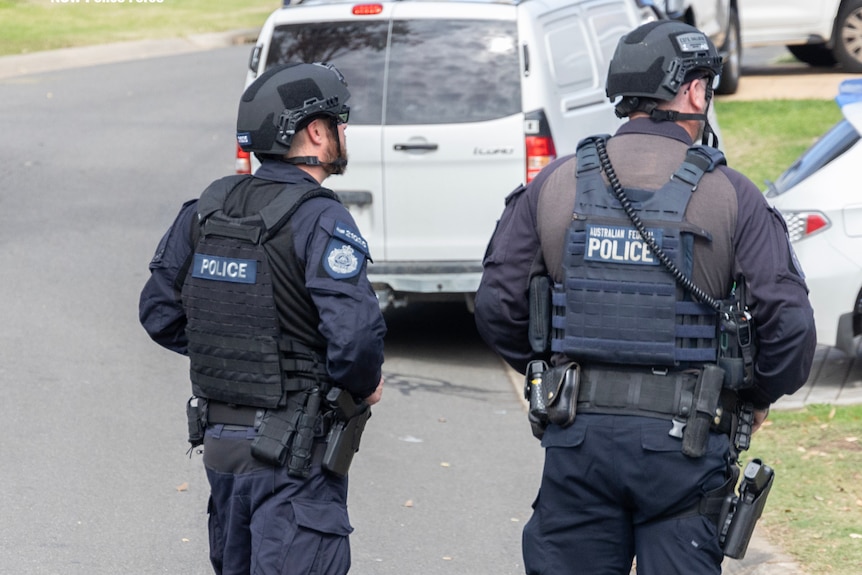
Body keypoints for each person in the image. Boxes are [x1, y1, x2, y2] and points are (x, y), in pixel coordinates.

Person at [474, 20, 816, 575]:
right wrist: (755, 396)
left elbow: (497, 304)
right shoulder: (733, 195)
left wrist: (550, 372)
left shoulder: (555, 183)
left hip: (577, 440)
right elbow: (791, 326)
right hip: (687, 445)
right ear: (693, 90)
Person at [139, 62, 386, 575]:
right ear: (316, 131)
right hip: (294, 456)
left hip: (222, 450)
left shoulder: (207, 209)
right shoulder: (321, 217)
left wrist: (238, 348)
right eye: (340, 123)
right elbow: (356, 337)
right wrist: (360, 386)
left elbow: (159, 313)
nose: (344, 134)